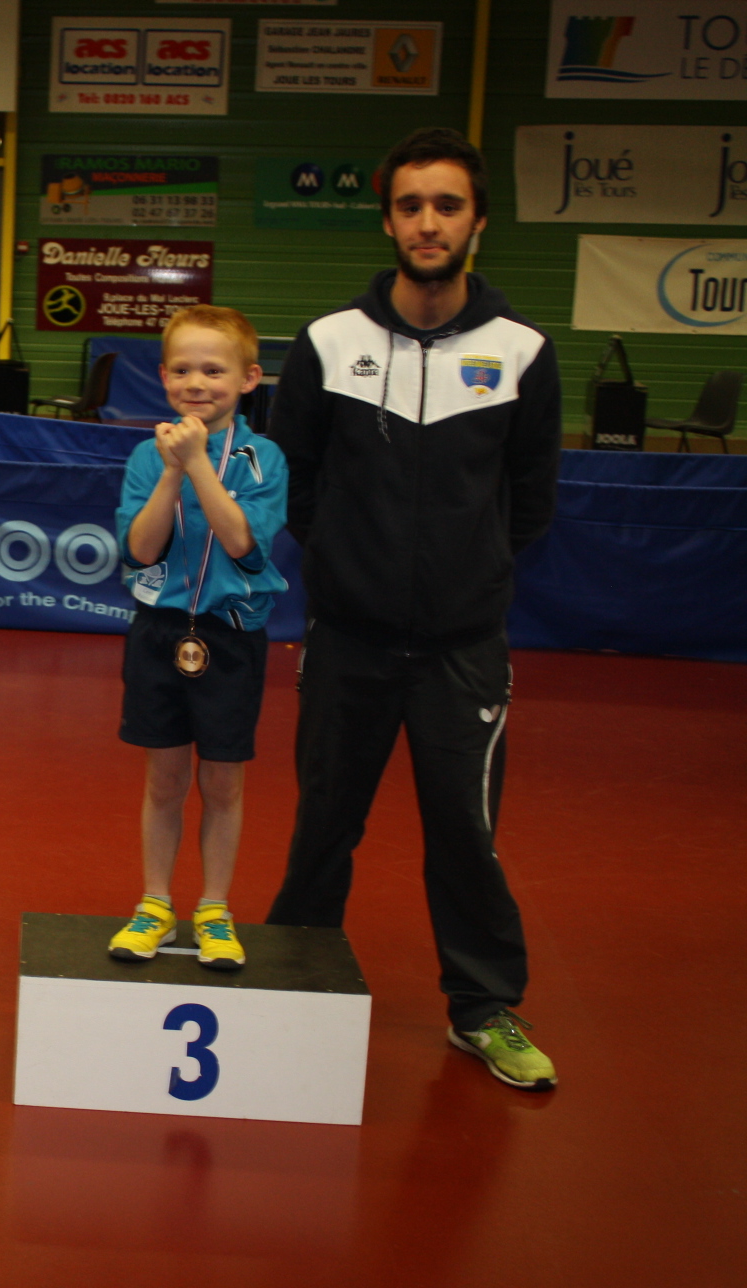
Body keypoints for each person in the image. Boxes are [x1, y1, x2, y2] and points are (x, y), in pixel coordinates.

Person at [265, 128, 563, 1090]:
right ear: (387, 220)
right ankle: (290, 985)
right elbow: (294, 480)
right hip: (347, 639)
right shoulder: (327, 344)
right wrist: (348, 567)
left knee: (465, 835)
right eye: (410, 206)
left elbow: (532, 497)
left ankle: (482, 1009)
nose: (428, 223)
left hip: (463, 649)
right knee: (324, 824)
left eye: (447, 205)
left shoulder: (523, 351)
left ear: (479, 221)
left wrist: (469, 575)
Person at [109, 305, 289, 971]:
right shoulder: (144, 455)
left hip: (231, 637)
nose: (197, 383)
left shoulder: (263, 458)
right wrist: (169, 470)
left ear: (248, 379)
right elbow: (141, 548)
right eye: (182, 370)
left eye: (214, 370)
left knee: (222, 783)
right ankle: (155, 904)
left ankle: (214, 909)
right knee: (164, 780)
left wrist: (198, 464)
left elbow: (242, 542)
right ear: (162, 377)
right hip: (158, 632)